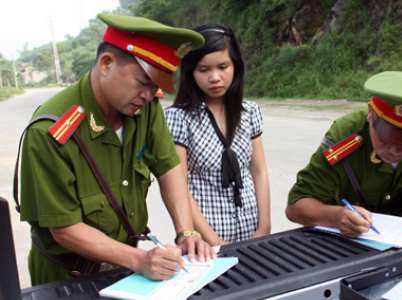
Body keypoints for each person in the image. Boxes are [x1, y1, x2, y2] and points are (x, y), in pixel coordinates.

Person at [17, 13, 216, 286]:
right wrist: (140, 260)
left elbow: (168, 166)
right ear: (106, 64)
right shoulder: (51, 131)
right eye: (143, 82)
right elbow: (63, 229)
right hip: (69, 277)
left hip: (126, 269)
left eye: (156, 87)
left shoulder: (145, 109)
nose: (149, 95)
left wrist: (186, 232)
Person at [286, 71, 402, 247]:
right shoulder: (343, 137)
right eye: (385, 139)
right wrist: (336, 216)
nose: (394, 150)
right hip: (352, 244)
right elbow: (296, 207)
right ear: (371, 114)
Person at [164, 23, 271, 245]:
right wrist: (215, 242)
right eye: (204, 70)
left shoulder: (249, 111)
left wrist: (264, 226)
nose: (215, 77)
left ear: (235, 66)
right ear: (191, 72)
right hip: (205, 239)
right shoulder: (178, 118)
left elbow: (258, 170)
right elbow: (179, 185)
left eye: (223, 66)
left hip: (252, 230)